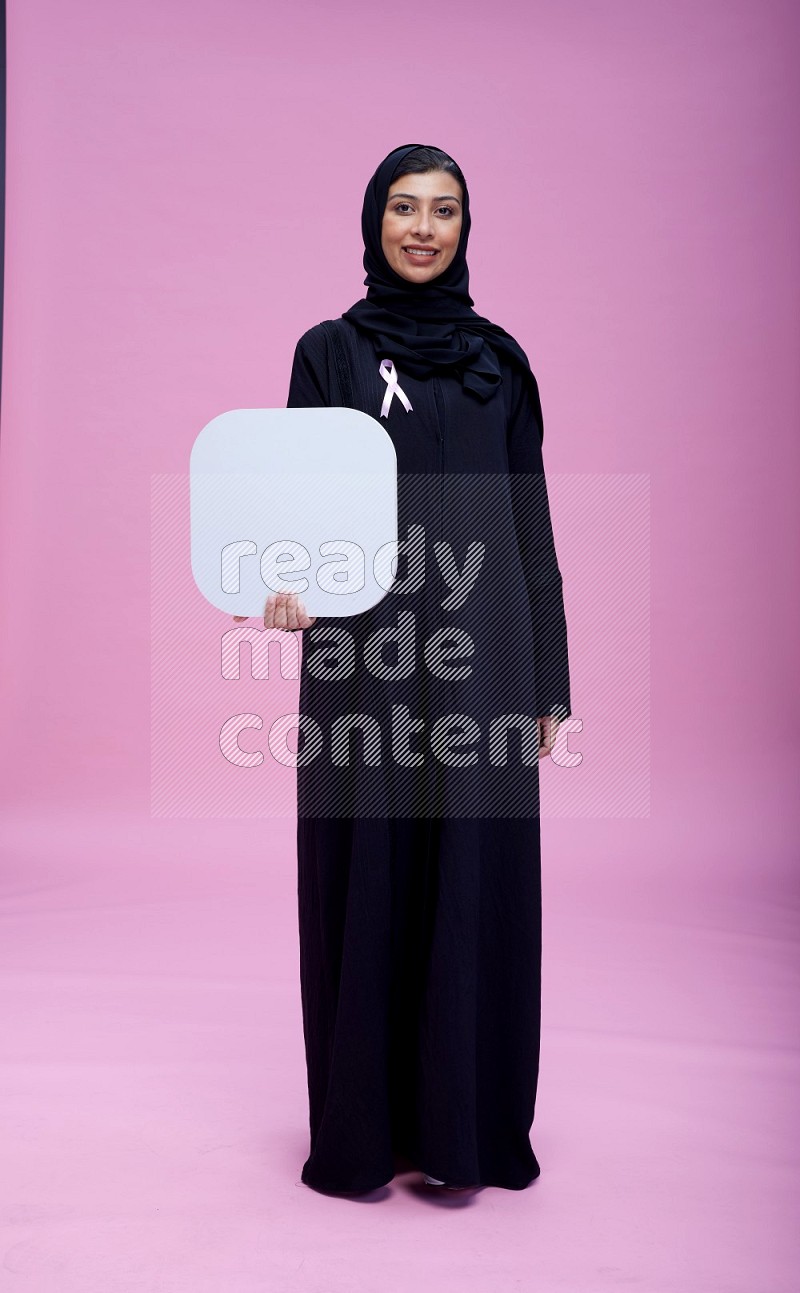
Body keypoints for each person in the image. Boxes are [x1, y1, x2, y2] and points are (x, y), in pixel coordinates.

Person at [272, 143, 571, 1194]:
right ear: (371, 221)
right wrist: (281, 583)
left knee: (472, 884)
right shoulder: (330, 352)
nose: (421, 227)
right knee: (372, 873)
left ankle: (465, 1134)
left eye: (443, 210)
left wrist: (548, 683)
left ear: (464, 229)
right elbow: (295, 512)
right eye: (403, 206)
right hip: (364, 663)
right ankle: (362, 1134)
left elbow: (530, 529)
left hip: (485, 667)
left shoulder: (501, 360)